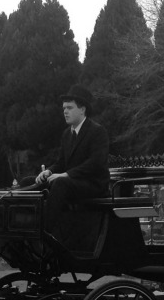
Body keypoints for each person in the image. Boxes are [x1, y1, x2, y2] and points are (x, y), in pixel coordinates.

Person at [35, 85, 109, 241]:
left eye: (69, 107)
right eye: (64, 108)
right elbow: (61, 162)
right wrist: (48, 172)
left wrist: (66, 175)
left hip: (93, 185)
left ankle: (45, 230)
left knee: (61, 183)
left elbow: (95, 163)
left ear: (82, 110)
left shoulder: (97, 131)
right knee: (31, 181)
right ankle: (24, 224)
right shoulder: (67, 134)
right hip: (73, 183)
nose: (65, 111)